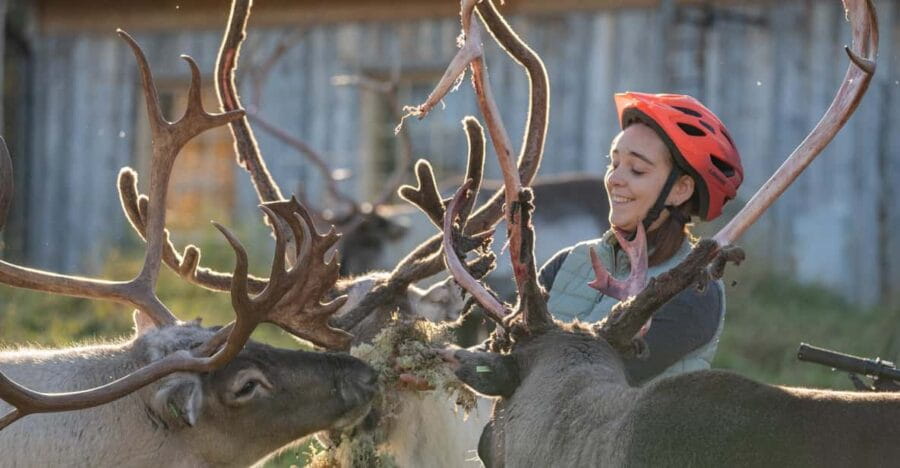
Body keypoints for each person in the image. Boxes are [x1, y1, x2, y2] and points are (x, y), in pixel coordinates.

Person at [539, 92, 743, 386]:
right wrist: (472, 364)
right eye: (614, 164)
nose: (614, 179)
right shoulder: (567, 263)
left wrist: (514, 365)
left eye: (636, 170)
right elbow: (503, 360)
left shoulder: (695, 290)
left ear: (681, 190)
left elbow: (597, 378)